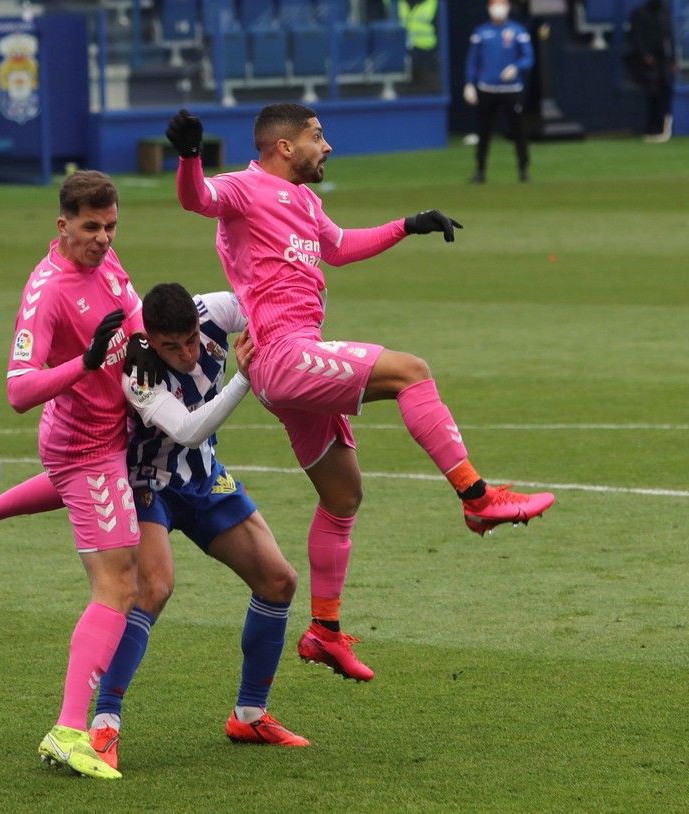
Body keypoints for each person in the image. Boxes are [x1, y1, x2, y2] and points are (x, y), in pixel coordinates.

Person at [164, 103, 555, 682]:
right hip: (282, 352)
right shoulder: (245, 189)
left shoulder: (305, 201)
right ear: (284, 147)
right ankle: (477, 499)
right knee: (412, 372)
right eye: (318, 137)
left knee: (343, 496)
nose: (329, 147)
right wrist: (191, 156)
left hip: (290, 365)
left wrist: (408, 225)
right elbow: (197, 199)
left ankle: (323, 631)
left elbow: (341, 246)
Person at [0, 283, 311, 768]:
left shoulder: (213, 312)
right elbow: (187, 429)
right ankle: (104, 725)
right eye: (172, 346)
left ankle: (249, 714)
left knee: (279, 581)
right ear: (151, 339)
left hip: (204, 476)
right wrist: (245, 378)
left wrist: (273, 336)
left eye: (191, 339)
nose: (188, 353)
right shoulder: (136, 372)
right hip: (146, 483)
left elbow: (262, 305)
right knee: (153, 588)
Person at [0, 169, 156, 781]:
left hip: (109, 438)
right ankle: (69, 730)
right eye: (90, 228)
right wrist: (84, 363)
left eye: (110, 226)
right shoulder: (47, 291)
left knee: (132, 572)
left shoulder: (108, 258)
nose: (101, 238)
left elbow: (131, 305)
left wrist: (144, 342)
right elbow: (17, 390)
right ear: (61, 225)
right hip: (85, 444)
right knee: (120, 585)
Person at [463, 0, 535, 183]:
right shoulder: (481, 32)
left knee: (519, 130)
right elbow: (472, 61)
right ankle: (480, 171)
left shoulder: (518, 31)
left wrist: (516, 68)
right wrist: (469, 84)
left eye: (502, 4)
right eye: (495, 4)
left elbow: (528, 57)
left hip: (512, 90)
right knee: (484, 132)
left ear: (509, 7)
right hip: (487, 89)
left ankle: (524, 170)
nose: (498, 9)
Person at [624, 0, 675, 143]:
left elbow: (669, 36)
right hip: (645, 62)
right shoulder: (639, 13)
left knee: (664, 90)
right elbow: (635, 36)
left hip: (662, 59)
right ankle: (651, 127)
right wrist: (644, 54)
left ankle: (663, 125)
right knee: (652, 93)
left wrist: (672, 58)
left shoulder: (665, 12)